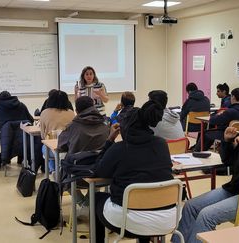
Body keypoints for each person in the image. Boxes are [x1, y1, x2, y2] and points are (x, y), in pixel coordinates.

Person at [172, 111, 239, 243]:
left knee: (206, 215)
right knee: (190, 206)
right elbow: (227, 161)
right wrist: (227, 141)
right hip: (236, 191)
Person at [94, 101, 176, 243]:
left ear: (125, 127)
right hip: (167, 218)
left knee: (96, 198)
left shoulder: (119, 148)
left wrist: (109, 140)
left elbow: (99, 171)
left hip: (128, 222)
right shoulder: (161, 144)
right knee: (146, 200)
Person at [58, 96, 109, 213]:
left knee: (61, 177)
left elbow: (61, 145)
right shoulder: (105, 123)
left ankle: (83, 204)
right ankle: (88, 204)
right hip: (101, 172)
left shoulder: (74, 125)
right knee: (94, 182)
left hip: (77, 173)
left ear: (77, 110)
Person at [40, 90, 74, 172]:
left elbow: (42, 136)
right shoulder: (71, 113)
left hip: (52, 149)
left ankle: (54, 171)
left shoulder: (44, 113)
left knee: (46, 147)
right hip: (69, 148)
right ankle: (57, 171)